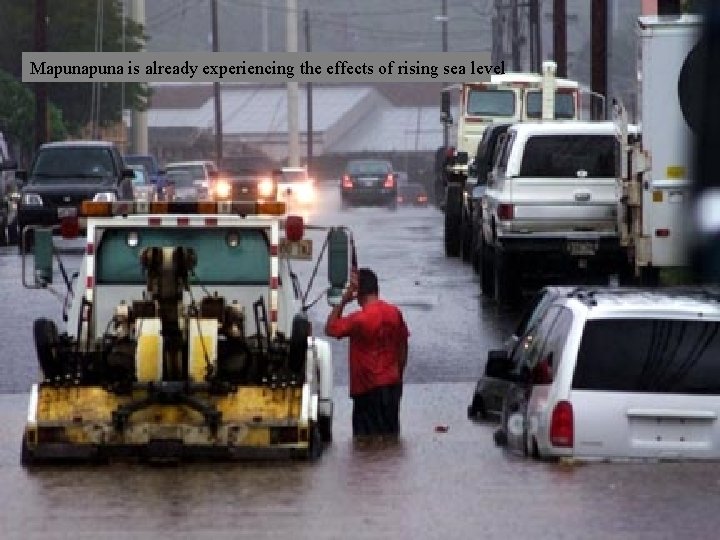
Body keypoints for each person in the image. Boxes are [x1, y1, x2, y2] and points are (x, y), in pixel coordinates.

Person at [325, 267, 409, 440]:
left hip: (367, 391)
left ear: (358, 292)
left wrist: (343, 300)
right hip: (392, 387)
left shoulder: (359, 319)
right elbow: (403, 345)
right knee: (391, 441)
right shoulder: (395, 313)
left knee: (365, 446)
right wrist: (399, 374)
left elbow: (330, 328)